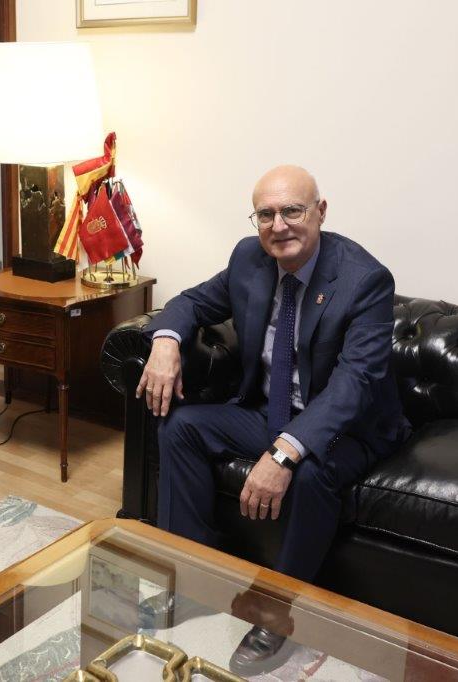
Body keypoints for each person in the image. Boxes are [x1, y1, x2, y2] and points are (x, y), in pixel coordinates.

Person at [137, 166, 408, 675]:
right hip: (270, 408)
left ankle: (277, 613)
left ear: (320, 213)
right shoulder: (249, 257)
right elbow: (191, 301)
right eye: (266, 214)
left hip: (351, 426)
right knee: (181, 427)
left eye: (292, 211)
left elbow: (355, 383)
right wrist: (165, 341)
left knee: (310, 473)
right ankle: (196, 579)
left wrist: (284, 452)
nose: (278, 225)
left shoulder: (364, 280)